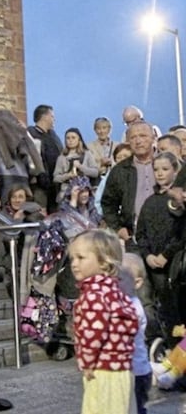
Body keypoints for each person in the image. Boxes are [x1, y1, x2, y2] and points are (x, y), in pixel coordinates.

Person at [69, 229, 138, 414]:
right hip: (122, 369)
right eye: (72, 259)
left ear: (104, 261)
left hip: (103, 369)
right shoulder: (115, 291)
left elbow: (93, 333)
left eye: (81, 258)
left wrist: (87, 361)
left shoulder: (93, 294)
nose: (74, 264)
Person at [134, 151, 183, 343]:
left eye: (165, 169)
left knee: (176, 307)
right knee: (160, 307)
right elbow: (141, 233)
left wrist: (166, 254)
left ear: (175, 170)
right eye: (156, 169)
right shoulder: (150, 201)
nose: (160, 173)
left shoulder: (180, 200)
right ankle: (167, 348)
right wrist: (147, 255)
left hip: (175, 263)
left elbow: (181, 233)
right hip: (153, 262)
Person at [101, 121, 157, 247]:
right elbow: (108, 203)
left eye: (143, 136)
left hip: (168, 236)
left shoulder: (168, 165)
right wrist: (118, 228)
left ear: (153, 138)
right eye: (133, 137)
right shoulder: (120, 170)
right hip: (134, 236)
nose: (138, 141)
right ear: (128, 141)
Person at [119, 254, 152, 414]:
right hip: (134, 371)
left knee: (135, 408)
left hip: (136, 372)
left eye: (120, 279)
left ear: (137, 283)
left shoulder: (132, 307)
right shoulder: (124, 302)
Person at [0, 109, 44, 204]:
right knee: (24, 208)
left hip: (6, 175)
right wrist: (24, 132)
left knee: (8, 207)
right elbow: (36, 152)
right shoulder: (22, 138)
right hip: (23, 176)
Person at [27, 104, 63, 213]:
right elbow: (31, 157)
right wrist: (40, 175)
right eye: (52, 116)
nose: (54, 119)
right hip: (39, 184)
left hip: (55, 184)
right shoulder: (31, 134)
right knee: (41, 212)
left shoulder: (53, 136)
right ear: (44, 117)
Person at [52, 127, 100, 197]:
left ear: (79, 140)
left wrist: (81, 167)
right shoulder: (62, 158)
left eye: (73, 138)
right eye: (68, 138)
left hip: (84, 191)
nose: (70, 140)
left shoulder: (87, 154)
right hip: (66, 192)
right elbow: (56, 178)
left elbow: (95, 172)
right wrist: (68, 175)